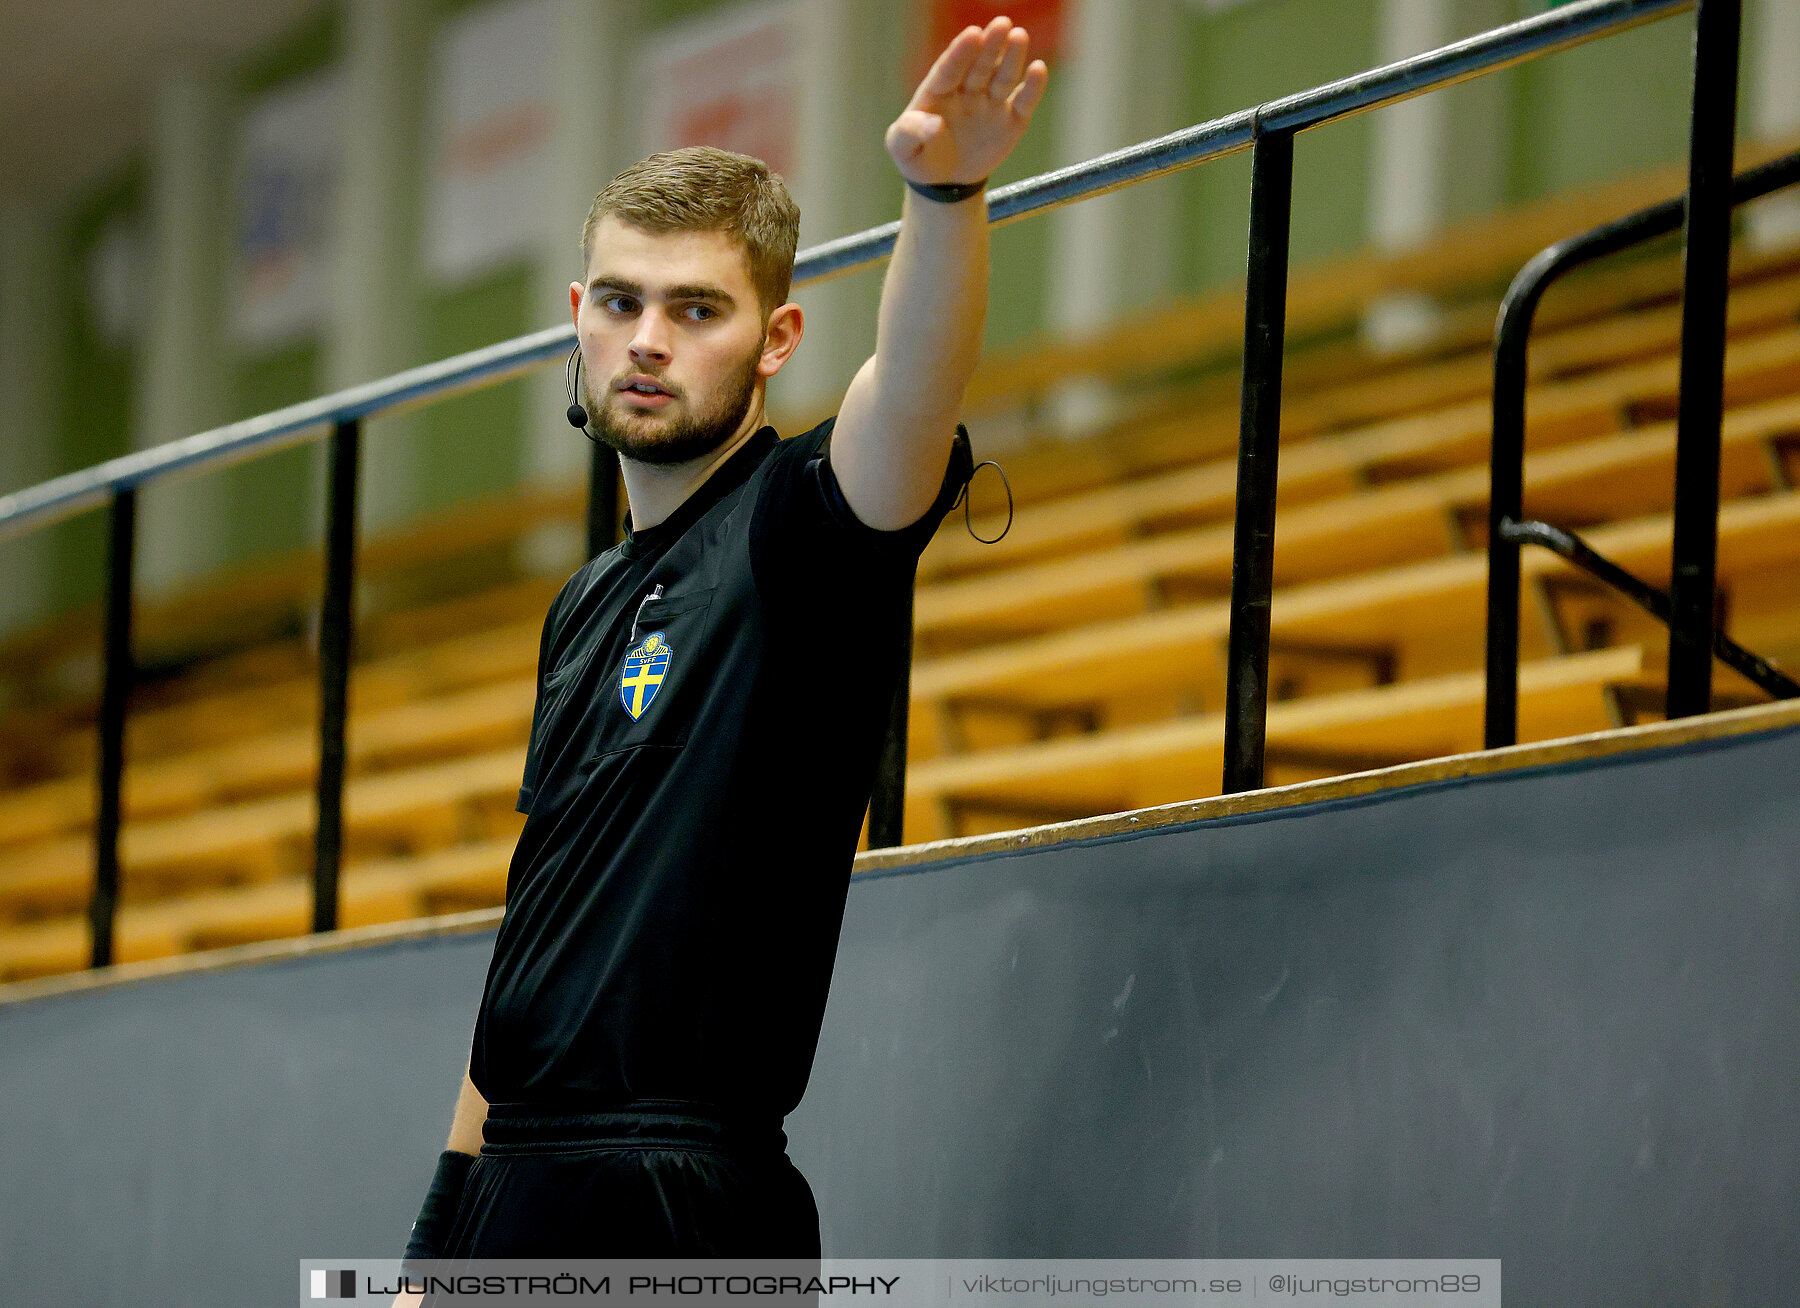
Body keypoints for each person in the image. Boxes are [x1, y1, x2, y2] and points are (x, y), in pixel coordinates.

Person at [394, 16, 1048, 1294]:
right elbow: (539, 931)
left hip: (682, 1202)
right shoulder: (581, 605)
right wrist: (434, 1241)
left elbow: (913, 390)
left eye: (698, 310)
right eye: (624, 303)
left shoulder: (803, 529)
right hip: (511, 1195)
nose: (650, 339)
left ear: (778, 339)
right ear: (578, 319)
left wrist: (946, 195)